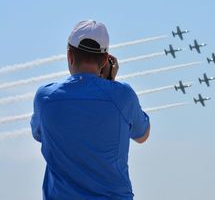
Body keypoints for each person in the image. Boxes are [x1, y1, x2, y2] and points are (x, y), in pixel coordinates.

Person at [30, 20, 150, 200]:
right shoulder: (123, 96)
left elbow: (38, 135)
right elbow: (142, 135)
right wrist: (109, 84)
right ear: (104, 60)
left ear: (70, 55)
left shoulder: (45, 98)